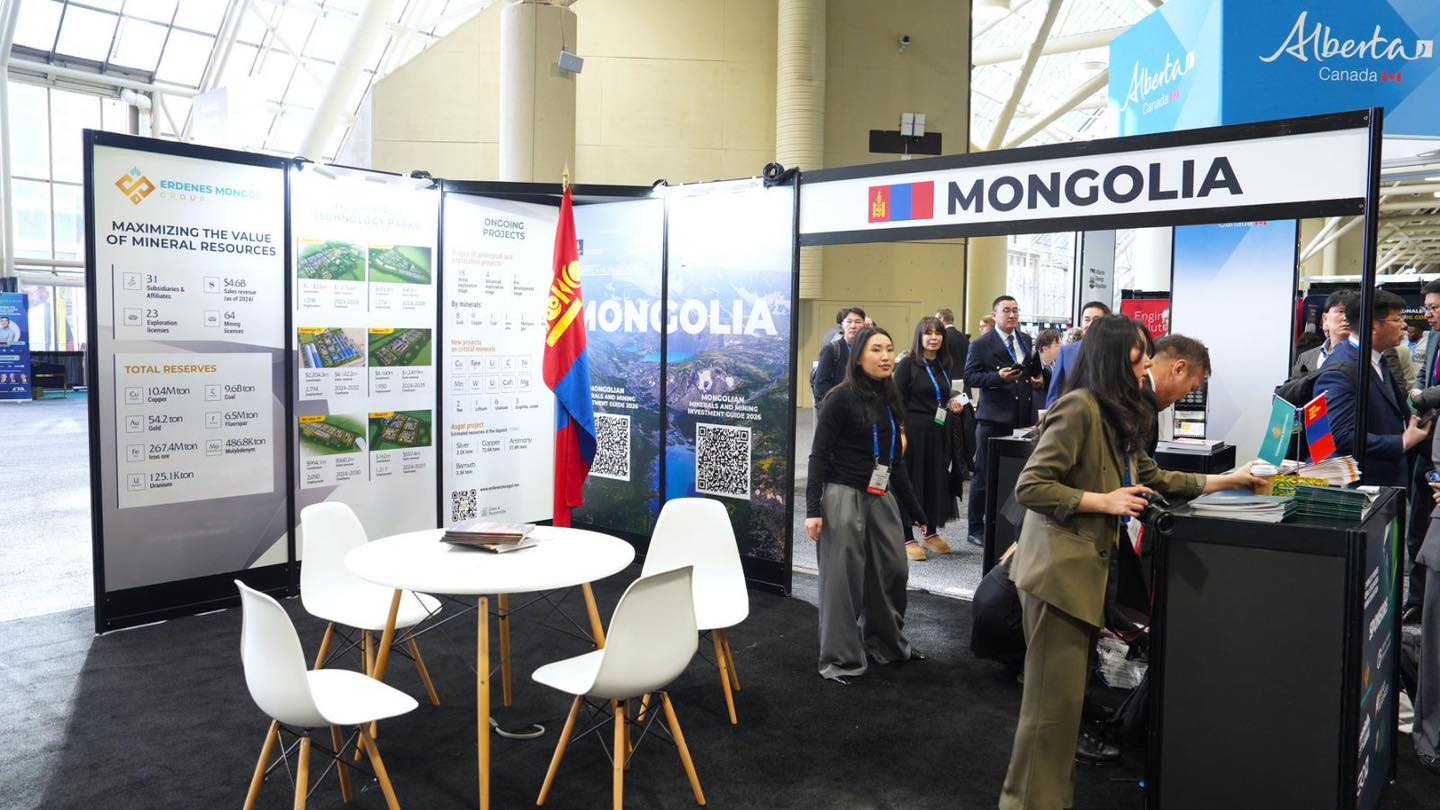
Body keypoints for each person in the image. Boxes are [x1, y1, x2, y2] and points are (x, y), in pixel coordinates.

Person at [999, 315, 1262, 810]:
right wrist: (1104, 501)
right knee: (1050, 712)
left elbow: (1152, 477)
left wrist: (1228, 480)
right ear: (1115, 358)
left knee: (1063, 710)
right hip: (1057, 578)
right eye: (1140, 357)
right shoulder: (1078, 408)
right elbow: (1031, 486)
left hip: (1080, 577)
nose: (1146, 367)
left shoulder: (1114, 414)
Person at [805, 326, 928, 685]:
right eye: (876, 349)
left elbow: (894, 461)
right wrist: (812, 511)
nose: (886, 356)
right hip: (843, 495)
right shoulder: (839, 398)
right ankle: (841, 658)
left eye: (889, 348)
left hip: (881, 495)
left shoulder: (889, 398)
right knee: (843, 582)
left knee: (893, 571)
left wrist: (915, 510)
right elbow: (818, 456)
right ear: (858, 357)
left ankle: (886, 643)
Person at [1315, 289, 1428, 489]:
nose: (1404, 325)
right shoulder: (1341, 369)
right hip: (1362, 489)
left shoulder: (1376, 358)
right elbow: (1339, 435)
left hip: (1387, 483)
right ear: (1373, 326)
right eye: (1397, 319)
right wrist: (1401, 442)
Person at [964, 296, 1040, 547]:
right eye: (1006, 310)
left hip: (1022, 416)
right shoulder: (981, 344)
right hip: (993, 418)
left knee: (1017, 472)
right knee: (984, 475)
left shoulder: (1025, 339)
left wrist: (1037, 376)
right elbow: (970, 377)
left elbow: (1029, 371)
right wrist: (997, 376)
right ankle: (976, 527)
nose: (1012, 315)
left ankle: (1009, 525)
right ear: (994, 314)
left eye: (1016, 310)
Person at [894, 317, 964, 561]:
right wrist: (900, 432)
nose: (934, 338)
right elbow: (896, 399)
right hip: (913, 431)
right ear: (920, 336)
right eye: (928, 333)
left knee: (935, 480)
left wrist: (952, 402)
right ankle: (906, 536)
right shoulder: (908, 364)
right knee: (911, 481)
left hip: (938, 430)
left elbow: (941, 395)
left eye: (938, 333)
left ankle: (930, 532)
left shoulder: (943, 365)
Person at [1144, 334, 1211, 454]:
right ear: (1179, 369)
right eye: (1191, 388)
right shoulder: (1137, 400)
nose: (1181, 399)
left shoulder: (1147, 400)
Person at [1044, 301, 1111, 409]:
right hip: (1073, 414)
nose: (1090, 324)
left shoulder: (1115, 351)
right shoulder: (1066, 352)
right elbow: (1054, 393)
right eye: (1087, 319)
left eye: (1096, 320)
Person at [1292, 290, 1353, 376]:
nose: (1346, 317)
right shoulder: (1305, 358)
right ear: (1325, 319)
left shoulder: (1364, 358)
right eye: (1341, 311)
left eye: (1352, 313)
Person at [813, 307, 866, 403]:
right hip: (838, 403)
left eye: (858, 322)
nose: (853, 326)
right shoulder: (831, 349)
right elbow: (821, 383)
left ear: (864, 325)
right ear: (842, 325)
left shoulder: (867, 350)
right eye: (849, 322)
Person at [1034, 329, 1062, 396]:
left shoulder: (1055, 364)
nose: (1061, 348)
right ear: (1045, 349)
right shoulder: (1036, 371)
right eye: (1057, 345)